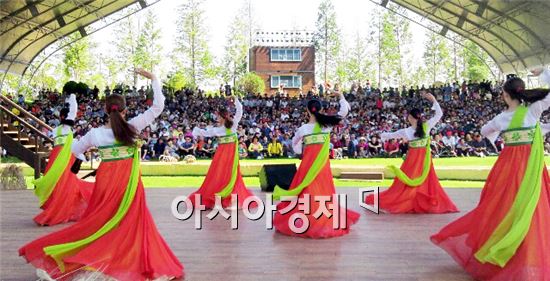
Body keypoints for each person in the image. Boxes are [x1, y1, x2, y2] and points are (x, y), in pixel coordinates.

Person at [19, 69, 183, 280]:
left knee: (101, 222)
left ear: (106, 111)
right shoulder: (133, 126)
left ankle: (94, 256)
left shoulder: (95, 134)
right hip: (129, 184)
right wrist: (154, 78)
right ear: (125, 110)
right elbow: (158, 107)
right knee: (129, 222)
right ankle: (123, 258)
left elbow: (74, 150)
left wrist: (83, 158)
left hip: (105, 183)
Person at [431, 67, 550, 281]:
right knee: (532, 208)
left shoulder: (501, 119)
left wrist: (497, 138)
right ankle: (529, 254)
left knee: (502, 207)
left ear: (505, 95)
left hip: (508, 169)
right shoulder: (534, 109)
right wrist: (544, 72)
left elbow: (486, 131)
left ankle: (504, 250)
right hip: (531, 169)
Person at [272, 91, 360, 238]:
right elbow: (344, 111)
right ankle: (322, 217)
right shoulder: (327, 125)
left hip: (307, 165)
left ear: (307, 110)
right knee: (323, 191)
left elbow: (295, 144)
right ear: (320, 110)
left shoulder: (303, 129)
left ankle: (303, 219)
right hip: (322, 166)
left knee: (306, 191)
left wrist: (300, 152)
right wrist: (341, 96)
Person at [365, 91, 458, 214]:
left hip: (414, 159)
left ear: (410, 117)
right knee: (425, 179)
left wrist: (380, 135)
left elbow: (391, 135)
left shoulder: (407, 131)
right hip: (424, 158)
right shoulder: (426, 126)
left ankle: (410, 199)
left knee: (409, 179)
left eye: (408, 116)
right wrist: (434, 100)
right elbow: (439, 114)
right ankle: (418, 200)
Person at [32, 93, 93, 226]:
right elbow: (73, 110)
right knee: (67, 183)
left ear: (60, 117)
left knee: (57, 182)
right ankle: (63, 209)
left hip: (55, 156)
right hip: (66, 157)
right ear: (67, 117)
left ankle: (55, 207)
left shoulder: (55, 130)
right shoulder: (68, 128)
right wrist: (72, 97)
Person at [189, 96, 257, 209]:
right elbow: (239, 111)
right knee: (224, 173)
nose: (217, 118)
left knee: (227, 173)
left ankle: (229, 197)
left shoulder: (228, 126)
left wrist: (235, 99)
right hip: (224, 154)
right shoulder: (223, 127)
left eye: (218, 116)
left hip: (229, 154)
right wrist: (235, 100)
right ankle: (225, 196)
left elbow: (239, 111)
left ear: (222, 117)